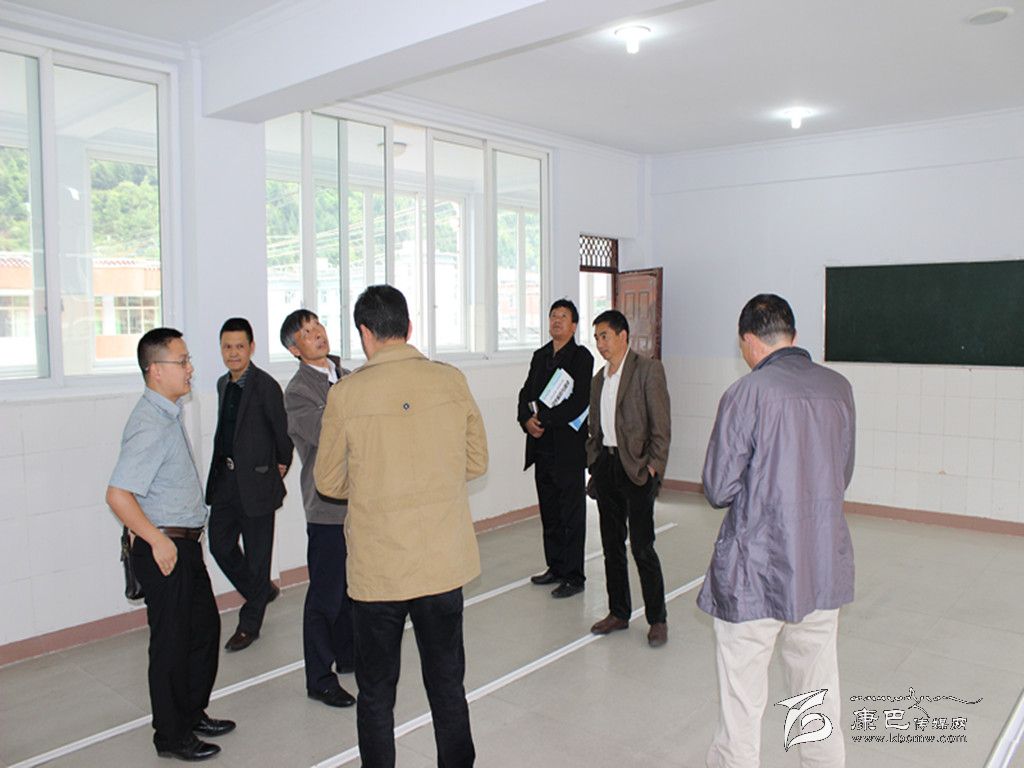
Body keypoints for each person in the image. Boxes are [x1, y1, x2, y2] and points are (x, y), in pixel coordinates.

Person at [315, 285, 487, 768]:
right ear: (409, 328)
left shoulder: (345, 394)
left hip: (379, 568)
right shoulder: (450, 380)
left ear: (364, 333)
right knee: (447, 683)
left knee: (375, 693)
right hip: (441, 561)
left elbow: (328, 481)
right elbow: (477, 460)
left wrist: (373, 487)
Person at [699, 294, 856, 768]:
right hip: (820, 562)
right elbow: (842, 472)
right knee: (815, 682)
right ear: (793, 336)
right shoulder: (838, 388)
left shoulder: (746, 393)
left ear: (748, 342)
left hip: (758, 564)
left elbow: (718, 487)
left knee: (743, 694)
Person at [106, 328, 235, 761]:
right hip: (166, 549)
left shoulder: (166, 414)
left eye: (188, 360)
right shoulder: (149, 425)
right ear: (155, 370)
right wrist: (156, 540)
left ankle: (191, 713)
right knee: (172, 644)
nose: (190, 368)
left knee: (202, 631)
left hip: (183, 546)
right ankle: (171, 735)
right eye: (182, 361)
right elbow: (118, 495)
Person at [281, 310, 356, 708]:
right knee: (326, 595)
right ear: (295, 349)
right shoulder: (298, 391)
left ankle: (348, 655)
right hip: (326, 505)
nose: (317, 335)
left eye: (317, 327)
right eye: (306, 333)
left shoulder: (345, 375)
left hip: (357, 501)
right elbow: (326, 433)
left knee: (351, 586)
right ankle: (319, 678)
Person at [206, 317, 293, 652]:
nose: (233, 353)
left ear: (251, 348)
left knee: (258, 557)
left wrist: (280, 464)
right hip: (226, 482)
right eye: (227, 347)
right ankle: (261, 590)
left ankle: (249, 623)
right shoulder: (222, 384)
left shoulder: (266, 386)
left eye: (239, 346)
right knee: (220, 545)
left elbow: (282, 432)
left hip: (257, 483)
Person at [586, 309, 671, 648]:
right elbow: (594, 427)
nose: (600, 344)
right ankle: (619, 612)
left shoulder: (648, 370)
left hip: (636, 470)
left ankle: (657, 619)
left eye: (604, 336)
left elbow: (661, 426)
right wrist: (593, 462)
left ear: (623, 336)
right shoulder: (598, 379)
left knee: (642, 546)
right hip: (606, 467)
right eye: (596, 338)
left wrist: (653, 468)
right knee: (611, 545)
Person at [517, 299, 593, 598]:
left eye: (563, 316)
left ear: (573, 325)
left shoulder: (581, 357)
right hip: (542, 448)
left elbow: (579, 401)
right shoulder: (540, 356)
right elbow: (525, 393)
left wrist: (545, 420)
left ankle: (574, 576)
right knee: (550, 513)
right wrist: (526, 420)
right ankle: (556, 567)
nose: (556, 320)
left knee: (571, 515)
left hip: (568, 449)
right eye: (552, 316)